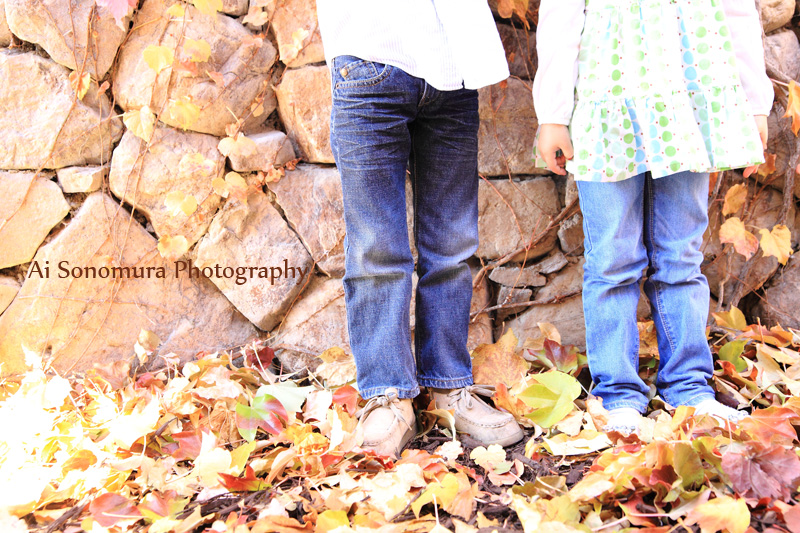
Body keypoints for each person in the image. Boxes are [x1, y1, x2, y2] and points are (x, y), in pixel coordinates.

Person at [532, 0, 772, 434]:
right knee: (611, 259)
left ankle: (689, 387)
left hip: (689, 103)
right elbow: (560, 18)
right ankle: (617, 394)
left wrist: (754, 105)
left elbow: (737, 11)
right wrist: (552, 114)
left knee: (681, 255)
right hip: (607, 101)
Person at [316, 1, 524, 457]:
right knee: (376, 250)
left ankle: (449, 388)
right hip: (368, 53)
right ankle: (388, 395)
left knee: (452, 246)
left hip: (453, 66)